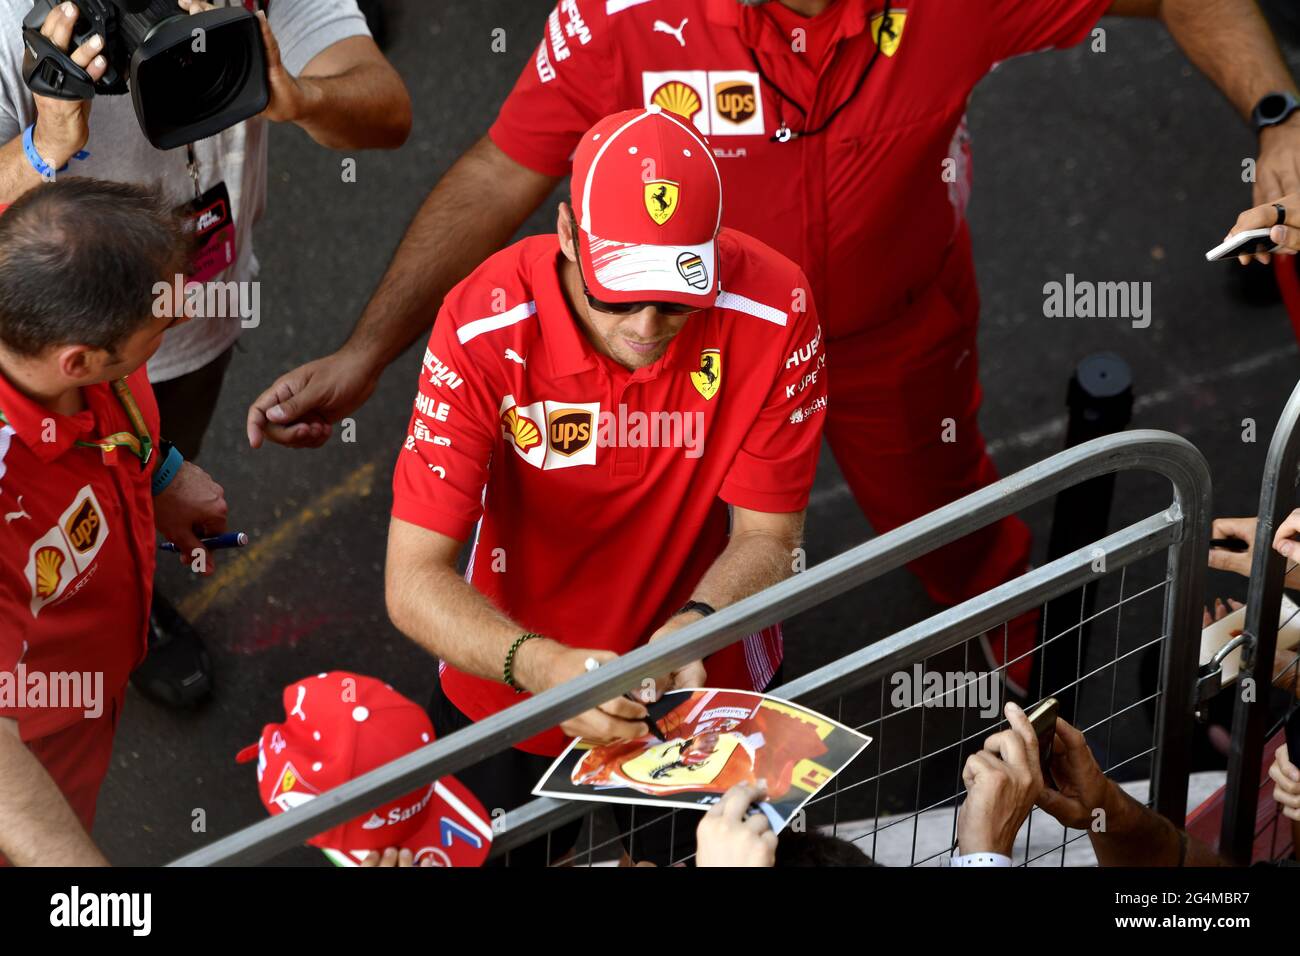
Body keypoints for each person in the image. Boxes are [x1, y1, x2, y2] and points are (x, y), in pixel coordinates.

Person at [252, 0, 1300, 698]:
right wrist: (368, 350)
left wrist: (1276, 113)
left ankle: (999, 620)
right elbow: (499, 170)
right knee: (644, 547)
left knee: (942, 506)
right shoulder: (619, 17)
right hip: (684, 359)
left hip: (897, 325)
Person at [384, 106, 826, 865]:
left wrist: (699, 627)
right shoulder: (480, 322)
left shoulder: (778, 307)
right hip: (508, 688)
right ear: (565, 235)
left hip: (702, 683)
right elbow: (411, 579)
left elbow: (770, 539)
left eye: (679, 296)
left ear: (715, 255)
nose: (647, 326)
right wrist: (549, 671)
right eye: (618, 293)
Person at [0, 0, 412, 707]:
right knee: (46, 536)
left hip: (196, 321)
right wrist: (46, 143)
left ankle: (132, 587)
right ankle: (77, 631)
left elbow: (388, 114)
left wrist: (299, 96)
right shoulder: (18, 24)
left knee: (150, 470)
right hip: (64, 357)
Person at [0, 179, 230, 866]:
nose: (184, 311)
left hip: (89, 686)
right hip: (39, 743)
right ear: (78, 360)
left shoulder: (34, 291)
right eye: (160, 320)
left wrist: (158, 474)